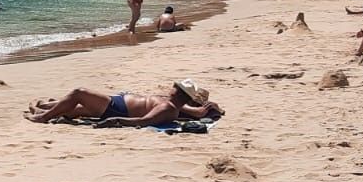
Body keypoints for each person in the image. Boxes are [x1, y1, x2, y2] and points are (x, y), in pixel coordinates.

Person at [26, 79, 221, 127]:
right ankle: (44, 107)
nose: (171, 87)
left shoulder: (168, 107)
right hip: (117, 103)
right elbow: (189, 111)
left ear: (178, 92)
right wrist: (202, 111)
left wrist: (115, 120)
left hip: (116, 108)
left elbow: (143, 121)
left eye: (175, 87)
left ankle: (43, 116)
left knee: (79, 93)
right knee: (76, 109)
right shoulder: (176, 105)